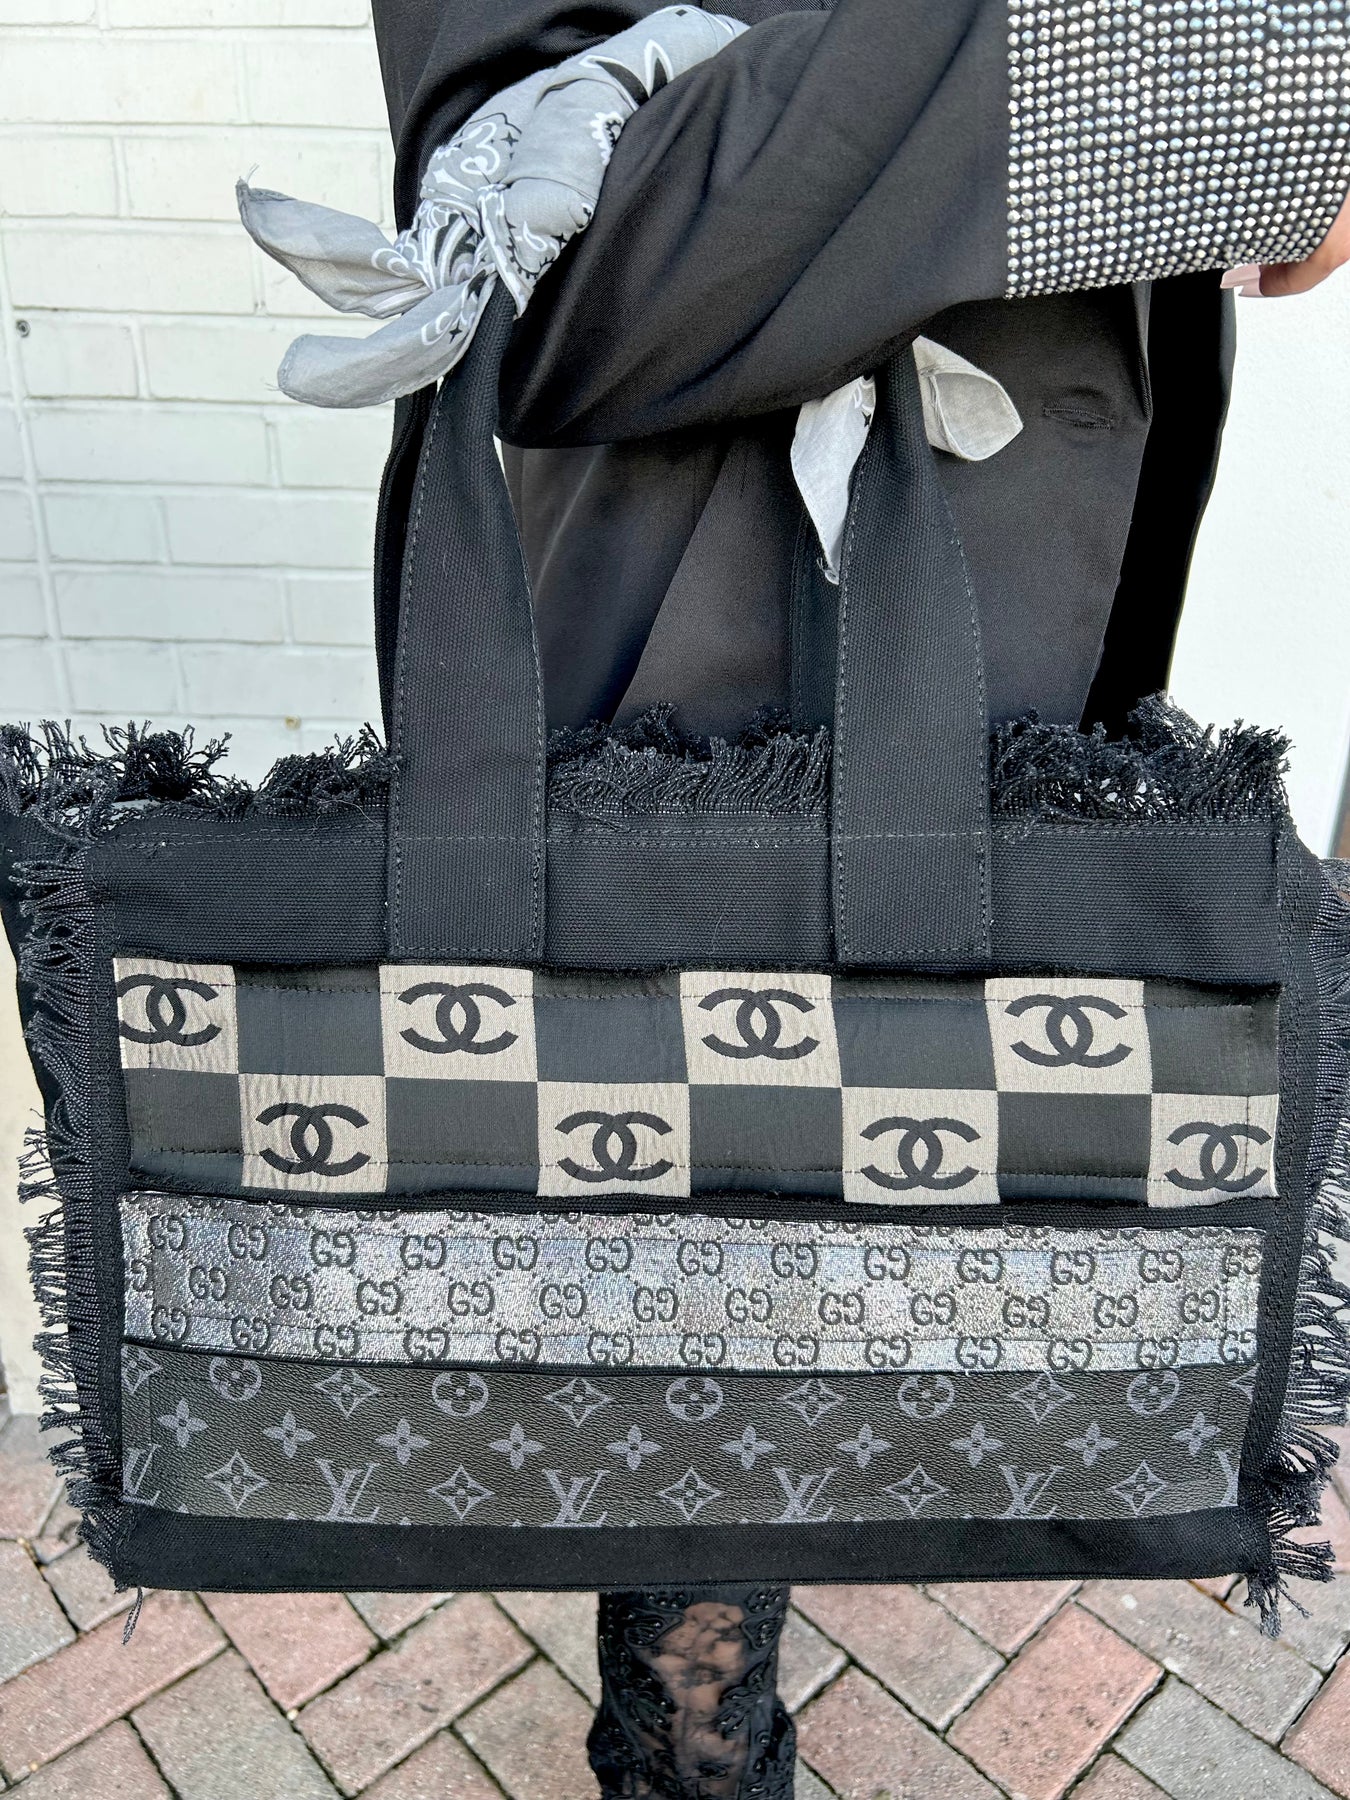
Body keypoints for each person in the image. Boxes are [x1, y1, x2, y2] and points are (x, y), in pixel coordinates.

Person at [364, 3, 1350, 1793]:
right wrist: (1252, 70)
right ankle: (691, 1751)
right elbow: (561, 278)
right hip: (707, 681)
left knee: (916, 1203)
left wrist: (1253, 161)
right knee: (686, 1290)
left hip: (1035, 623)